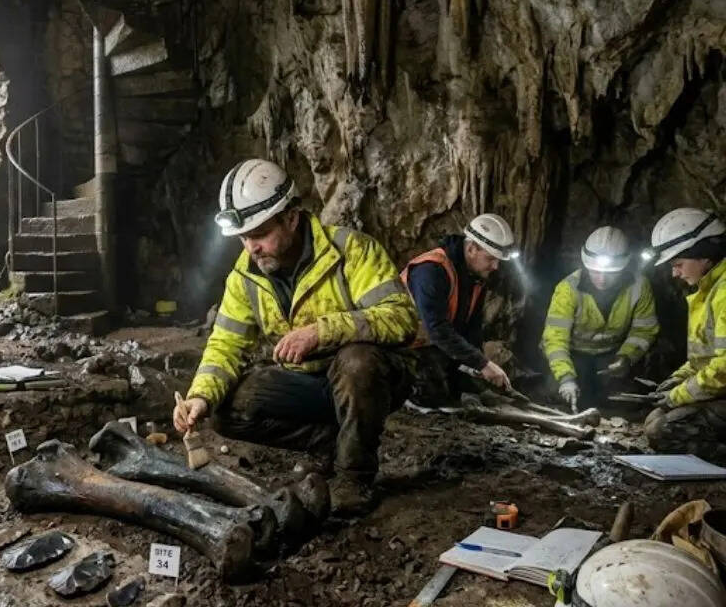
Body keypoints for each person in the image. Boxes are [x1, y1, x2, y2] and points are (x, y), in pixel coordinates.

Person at [171, 158, 419, 515]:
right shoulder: (244, 277)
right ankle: (331, 444)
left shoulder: (351, 250)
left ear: (291, 218)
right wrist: (200, 396)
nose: (251, 248)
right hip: (310, 382)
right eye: (244, 237)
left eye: (260, 234)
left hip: (375, 379)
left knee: (357, 362)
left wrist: (321, 332)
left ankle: (354, 477)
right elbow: (225, 343)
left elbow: (401, 318)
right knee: (226, 410)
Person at [400, 214, 517, 405]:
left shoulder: (475, 276)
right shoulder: (431, 271)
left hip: (436, 345)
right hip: (406, 347)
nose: (495, 266)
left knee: (474, 385)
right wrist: (483, 364)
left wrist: (477, 367)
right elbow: (437, 328)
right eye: (490, 259)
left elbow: (471, 328)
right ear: (471, 249)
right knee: (433, 395)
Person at [541, 227, 659, 411]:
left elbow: (644, 330)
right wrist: (566, 378)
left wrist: (626, 357)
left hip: (610, 356)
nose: (602, 279)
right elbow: (555, 338)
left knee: (619, 399)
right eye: (595, 271)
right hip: (573, 353)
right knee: (560, 394)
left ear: (624, 267)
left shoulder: (639, 286)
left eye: (611, 273)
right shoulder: (568, 289)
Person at [643, 208, 726, 461]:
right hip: (720, 391)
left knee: (663, 430)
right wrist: (676, 380)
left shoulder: (724, 293)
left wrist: (677, 396)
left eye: (678, 264)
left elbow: (723, 368)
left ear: (705, 255)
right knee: (655, 420)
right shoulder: (707, 291)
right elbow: (703, 358)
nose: (675, 273)